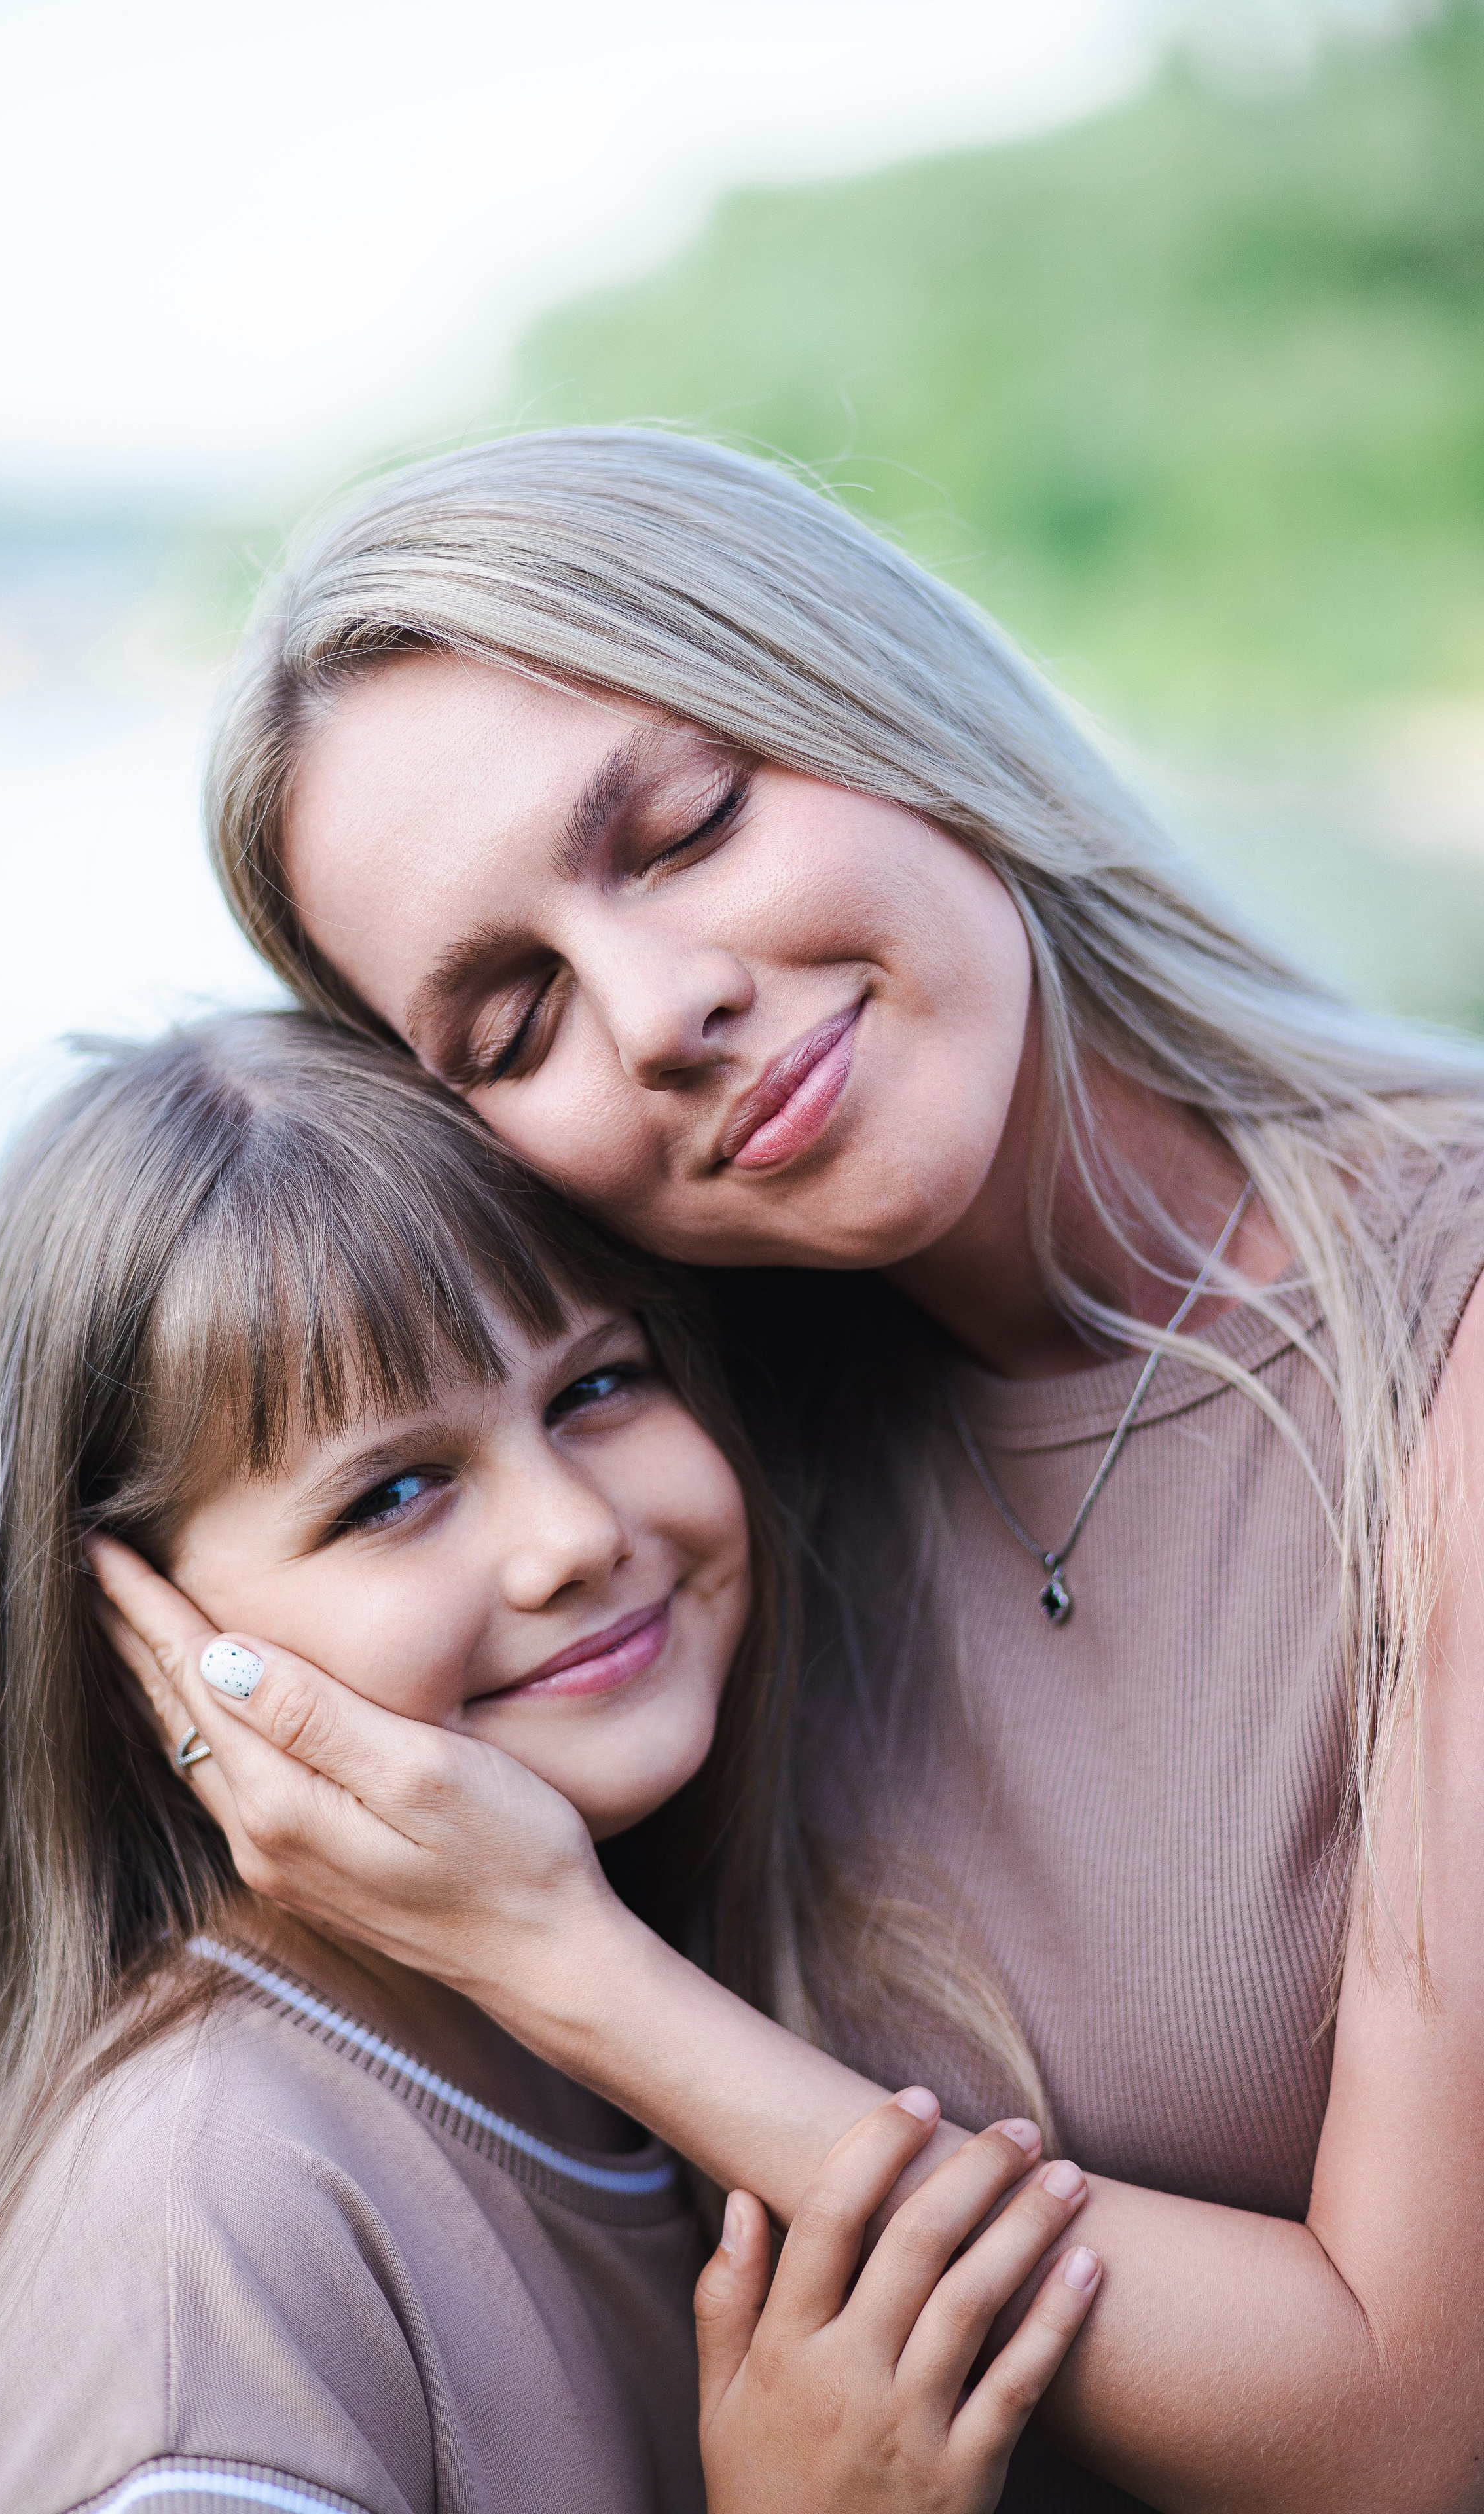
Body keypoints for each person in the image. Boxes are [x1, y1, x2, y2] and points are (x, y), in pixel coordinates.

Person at [102, 429, 1484, 2511]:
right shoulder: (675, 1475)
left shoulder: (1445, 1334)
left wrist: (566, 1965)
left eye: (683, 829)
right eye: (511, 1024)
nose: (659, 1014)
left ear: (878, 697)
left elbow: (1409, 2418)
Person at [0, 1014, 1101, 2514]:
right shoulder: (203, 2228)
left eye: (595, 1388)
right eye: (395, 1492)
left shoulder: (614, 2030)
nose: (571, 1536)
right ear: (134, 1636)